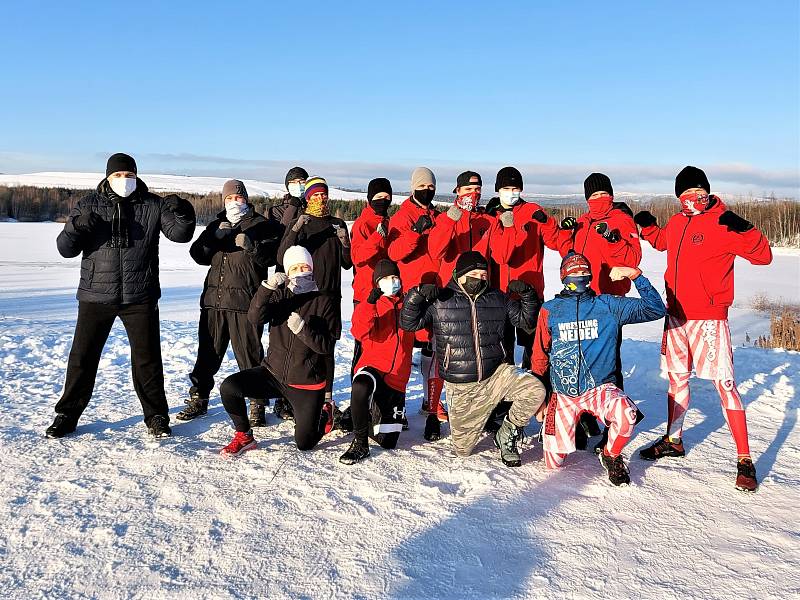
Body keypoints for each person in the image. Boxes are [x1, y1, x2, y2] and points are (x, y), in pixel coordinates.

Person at [635, 166, 773, 492]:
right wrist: (648, 227)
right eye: (683, 196)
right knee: (677, 378)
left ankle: (744, 459)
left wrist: (747, 229)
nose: (690, 201)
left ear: (707, 192)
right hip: (676, 316)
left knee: (725, 383)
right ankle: (674, 440)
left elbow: (764, 256)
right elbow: (663, 242)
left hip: (709, 318)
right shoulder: (678, 221)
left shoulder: (723, 222)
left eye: (696, 194)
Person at [46, 153, 196, 439]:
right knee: (82, 357)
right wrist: (75, 227)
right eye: (118, 175)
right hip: (95, 294)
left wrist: (184, 213)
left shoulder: (152, 204)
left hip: (140, 295)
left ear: (137, 176)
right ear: (107, 176)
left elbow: (179, 234)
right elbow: (65, 249)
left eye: (129, 175)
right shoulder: (89, 204)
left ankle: (156, 416)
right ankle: (67, 414)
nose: (124, 180)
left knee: (148, 359)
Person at [400, 251, 546, 467]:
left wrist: (528, 295)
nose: (480, 278)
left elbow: (526, 320)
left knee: (535, 389)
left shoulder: (497, 298)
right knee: (463, 450)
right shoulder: (442, 300)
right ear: (460, 274)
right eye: (475, 273)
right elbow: (409, 324)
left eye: (484, 275)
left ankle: (507, 432)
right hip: (462, 386)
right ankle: (482, 418)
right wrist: (417, 295)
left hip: (496, 375)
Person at [532, 253, 666, 485]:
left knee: (627, 414)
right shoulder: (550, 309)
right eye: (574, 272)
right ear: (564, 276)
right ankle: (566, 436)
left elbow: (655, 309)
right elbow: (539, 355)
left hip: (599, 388)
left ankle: (610, 454)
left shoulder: (608, 305)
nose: (580, 276)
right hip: (563, 393)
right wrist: (539, 397)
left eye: (584, 272)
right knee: (553, 464)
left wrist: (636, 276)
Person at [180, 179, 282, 424]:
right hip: (214, 301)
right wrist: (215, 237)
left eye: (239, 198)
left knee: (249, 355)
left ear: (246, 200)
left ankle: (257, 402)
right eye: (230, 199)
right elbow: (198, 255)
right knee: (207, 354)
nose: (235, 202)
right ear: (223, 201)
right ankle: (199, 397)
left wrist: (251, 246)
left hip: (245, 302)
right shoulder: (216, 224)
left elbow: (269, 258)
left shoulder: (262, 225)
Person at [218, 246, 337, 456]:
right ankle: (244, 436)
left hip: (306, 383)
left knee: (305, 443)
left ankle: (325, 415)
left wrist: (303, 330)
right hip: (273, 374)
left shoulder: (325, 301)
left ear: (312, 268)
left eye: (305, 267)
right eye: (295, 268)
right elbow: (254, 318)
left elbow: (326, 347)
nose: (301, 272)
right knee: (229, 387)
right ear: (288, 273)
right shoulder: (280, 296)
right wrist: (266, 288)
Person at [556, 173, 643, 450]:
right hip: (580, 301)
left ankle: (614, 424)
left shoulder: (621, 221)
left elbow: (633, 259)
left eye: (602, 195)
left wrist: (613, 238)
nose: (597, 200)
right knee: (580, 361)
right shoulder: (583, 221)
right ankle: (584, 417)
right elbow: (567, 255)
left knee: (608, 366)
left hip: (606, 303)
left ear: (611, 195)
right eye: (592, 196)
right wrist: (564, 232)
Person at [422, 170, 496, 439]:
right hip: (450, 295)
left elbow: (494, 255)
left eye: (477, 190)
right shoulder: (446, 218)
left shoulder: (486, 221)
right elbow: (436, 250)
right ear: (457, 192)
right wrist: (451, 220)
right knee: (443, 354)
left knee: (475, 354)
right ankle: (432, 412)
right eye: (467, 190)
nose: (472, 195)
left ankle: (475, 411)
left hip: (478, 295)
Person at [277, 176, 353, 423]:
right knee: (302, 344)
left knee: (327, 348)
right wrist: (296, 229)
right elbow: (281, 255)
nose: (321, 198)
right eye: (316, 195)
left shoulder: (337, 223)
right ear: (308, 197)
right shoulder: (303, 223)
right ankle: (293, 398)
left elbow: (346, 263)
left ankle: (327, 402)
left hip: (330, 297)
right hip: (303, 295)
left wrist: (344, 242)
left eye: (324, 194)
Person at [386, 167, 447, 440]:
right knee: (404, 352)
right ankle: (397, 406)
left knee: (432, 351)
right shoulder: (402, 216)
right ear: (413, 187)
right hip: (412, 293)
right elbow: (394, 252)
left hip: (436, 290)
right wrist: (414, 232)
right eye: (422, 185)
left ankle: (429, 401)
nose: (428, 190)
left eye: (431, 186)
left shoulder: (437, 215)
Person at [482, 166, 560, 368]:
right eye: (506, 188)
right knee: (502, 348)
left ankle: (534, 389)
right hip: (499, 293)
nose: (511, 192)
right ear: (498, 190)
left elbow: (555, 242)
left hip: (530, 292)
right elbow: (498, 256)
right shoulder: (492, 216)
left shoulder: (532, 211)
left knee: (534, 348)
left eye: (515, 188)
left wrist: (549, 222)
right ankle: (506, 393)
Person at [339, 259, 415, 465]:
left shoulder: (409, 304)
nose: (392, 282)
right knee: (361, 385)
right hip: (373, 366)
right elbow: (358, 331)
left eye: (395, 277)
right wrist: (370, 303)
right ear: (377, 284)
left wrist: (422, 306)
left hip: (396, 378)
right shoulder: (371, 304)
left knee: (388, 441)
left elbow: (423, 336)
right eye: (385, 279)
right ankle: (360, 442)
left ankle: (366, 414)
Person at [350, 177, 393, 373]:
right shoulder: (362, 224)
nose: (383, 200)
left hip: (388, 293)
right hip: (366, 294)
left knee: (385, 346)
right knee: (363, 346)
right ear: (369, 199)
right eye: (378, 196)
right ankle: (358, 395)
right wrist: (377, 237)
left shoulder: (389, 222)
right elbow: (358, 257)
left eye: (387, 197)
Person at [268, 166, 308, 245]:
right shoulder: (276, 211)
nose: (298, 185)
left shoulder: (313, 208)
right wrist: (293, 206)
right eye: (293, 182)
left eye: (302, 182)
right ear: (287, 185)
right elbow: (281, 232)